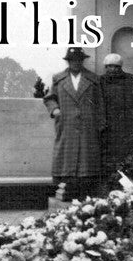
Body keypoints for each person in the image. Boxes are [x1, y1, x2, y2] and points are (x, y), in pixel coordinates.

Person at [44, 47, 105, 200]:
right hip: (66, 125)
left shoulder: (93, 79)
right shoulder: (58, 79)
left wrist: (100, 123)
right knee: (66, 158)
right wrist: (55, 110)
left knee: (86, 159)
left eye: (78, 60)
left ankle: (84, 191)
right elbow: (49, 98)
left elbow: (100, 103)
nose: (75, 63)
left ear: (82, 61)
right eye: (72, 60)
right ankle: (67, 189)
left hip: (88, 126)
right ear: (68, 61)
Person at [100, 53, 133, 173]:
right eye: (109, 66)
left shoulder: (130, 79)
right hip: (107, 125)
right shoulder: (100, 81)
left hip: (126, 125)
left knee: (125, 155)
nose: (112, 69)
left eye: (115, 66)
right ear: (105, 67)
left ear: (120, 67)